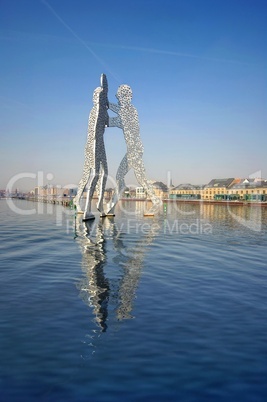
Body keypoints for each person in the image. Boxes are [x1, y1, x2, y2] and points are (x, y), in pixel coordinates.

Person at [107, 84, 160, 214]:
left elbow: (117, 115)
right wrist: (105, 111)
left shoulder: (130, 110)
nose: (118, 99)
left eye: (119, 97)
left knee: (121, 176)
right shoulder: (127, 113)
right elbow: (114, 119)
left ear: (126, 97)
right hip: (135, 150)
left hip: (134, 150)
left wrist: (106, 104)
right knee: (139, 178)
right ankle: (155, 200)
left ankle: (111, 206)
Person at [74, 74, 109, 220]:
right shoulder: (95, 111)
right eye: (99, 96)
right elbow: (94, 132)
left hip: (98, 144)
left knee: (101, 173)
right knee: (95, 174)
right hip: (94, 144)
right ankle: (88, 208)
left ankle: (95, 203)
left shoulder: (102, 110)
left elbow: (108, 123)